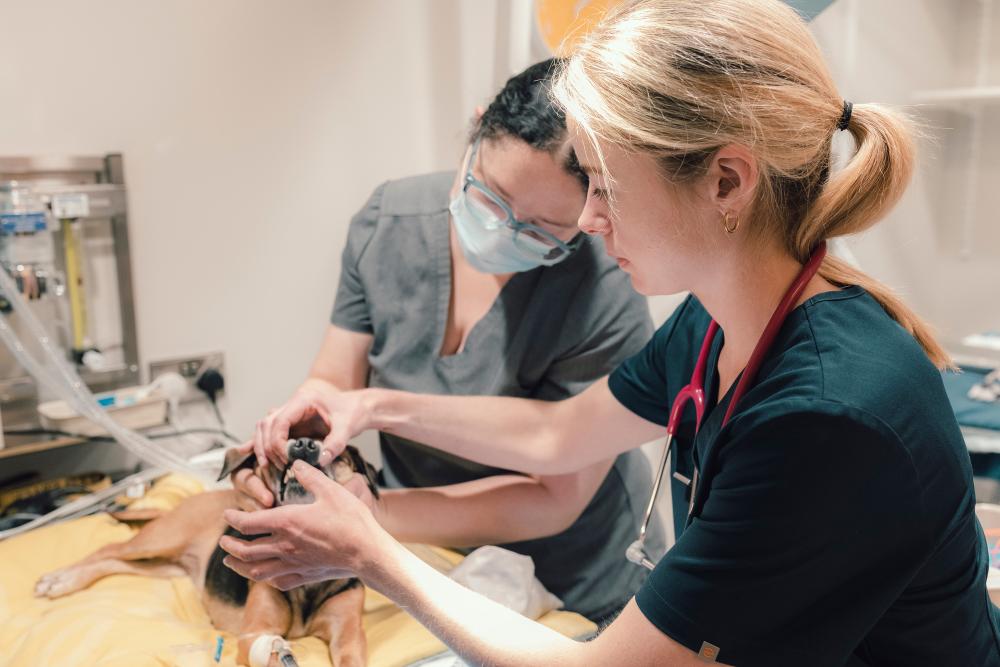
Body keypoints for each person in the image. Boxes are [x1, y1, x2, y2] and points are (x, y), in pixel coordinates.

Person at [222, 0, 1000, 664]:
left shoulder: (829, 415)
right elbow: (560, 434)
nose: (590, 221)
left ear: (725, 181)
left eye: (607, 187)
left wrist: (369, 551)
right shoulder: (719, 320)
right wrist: (374, 407)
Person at [232, 58, 660, 623]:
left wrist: (372, 513)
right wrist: (299, 433)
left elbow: (555, 494)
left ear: (595, 213)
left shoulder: (604, 288)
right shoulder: (390, 222)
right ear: (477, 130)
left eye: (540, 230)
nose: (504, 229)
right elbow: (335, 381)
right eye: (490, 196)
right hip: (428, 555)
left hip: (573, 573)